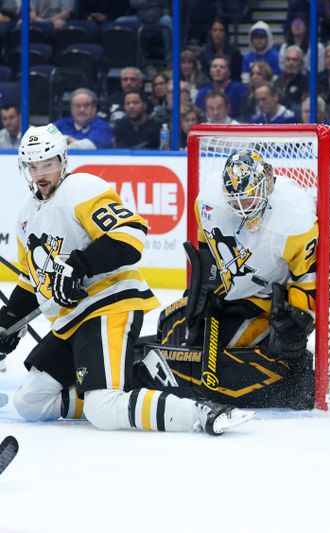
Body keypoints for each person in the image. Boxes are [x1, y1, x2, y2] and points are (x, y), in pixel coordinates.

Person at [1, 123, 253, 435]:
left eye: (48, 164)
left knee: (103, 408)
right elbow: (31, 280)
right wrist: (8, 323)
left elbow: (131, 235)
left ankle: (202, 413)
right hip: (70, 322)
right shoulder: (26, 215)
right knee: (30, 403)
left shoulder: (79, 188)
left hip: (106, 307)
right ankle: (131, 377)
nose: (40, 174)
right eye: (33, 166)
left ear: (63, 161)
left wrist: (80, 265)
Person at [182, 148, 318, 408]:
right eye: (235, 201)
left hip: (270, 300)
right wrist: (206, 287)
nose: (243, 208)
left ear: (265, 186)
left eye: (248, 198)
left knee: (251, 354)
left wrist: (296, 321)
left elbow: (309, 278)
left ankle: (292, 367)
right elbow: (206, 247)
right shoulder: (210, 200)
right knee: (182, 334)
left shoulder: (294, 216)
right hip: (235, 290)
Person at [195, 55, 248, 121]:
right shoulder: (202, 93)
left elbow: (245, 116)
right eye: (214, 66)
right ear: (210, 71)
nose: (218, 69)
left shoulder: (240, 89)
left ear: (229, 72)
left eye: (222, 67)